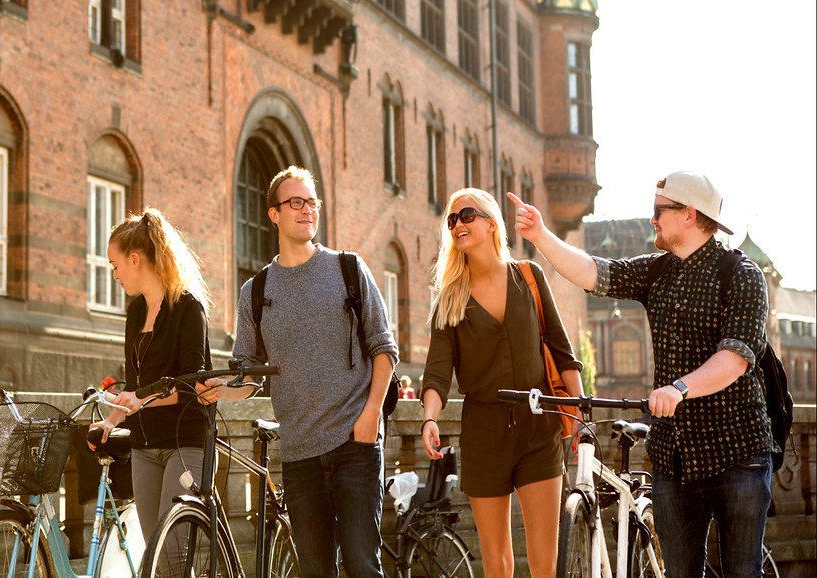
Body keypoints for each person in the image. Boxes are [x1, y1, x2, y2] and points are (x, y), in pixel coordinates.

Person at [510, 171, 775, 577]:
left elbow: (736, 357)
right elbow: (594, 272)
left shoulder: (742, 275)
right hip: (674, 458)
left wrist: (680, 388)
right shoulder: (657, 271)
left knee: (742, 571)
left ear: (689, 215)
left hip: (737, 455)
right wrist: (541, 235)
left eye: (659, 211)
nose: (651, 220)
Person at [198, 166, 398, 577]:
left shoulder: (348, 269)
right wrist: (220, 388)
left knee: (362, 564)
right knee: (315, 571)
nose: (307, 210)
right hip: (300, 454)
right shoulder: (255, 292)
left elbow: (384, 348)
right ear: (274, 213)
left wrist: (370, 416)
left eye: (312, 202)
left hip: (354, 445)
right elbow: (251, 375)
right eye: (296, 202)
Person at [419, 188, 582, 578]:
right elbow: (437, 369)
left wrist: (578, 408)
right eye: (452, 220)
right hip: (484, 435)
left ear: (492, 223)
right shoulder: (450, 298)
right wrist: (429, 419)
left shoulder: (529, 276)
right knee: (498, 564)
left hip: (539, 429)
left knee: (544, 563)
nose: (458, 223)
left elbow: (561, 350)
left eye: (467, 214)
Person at [87, 208, 213, 546]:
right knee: (154, 555)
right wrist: (110, 423)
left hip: (184, 443)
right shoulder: (136, 312)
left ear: (135, 259)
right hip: (144, 446)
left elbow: (191, 386)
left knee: (171, 556)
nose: (115, 275)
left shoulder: (188, 308)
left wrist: (141, 400)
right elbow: (134, 385)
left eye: (115, 266)